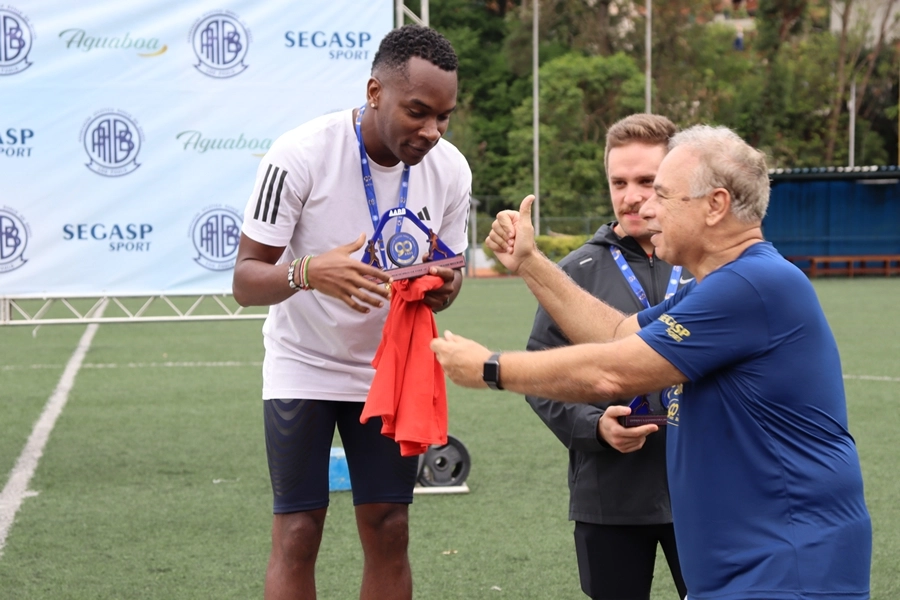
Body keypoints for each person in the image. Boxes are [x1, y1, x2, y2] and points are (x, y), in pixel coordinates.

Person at [432, 125, 872, 599]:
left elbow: (612, 370)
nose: (644, 207)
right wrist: (530, 263)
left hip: (787, 568)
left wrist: (490, 369)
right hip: (752, 564)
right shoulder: (722, 285)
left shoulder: (751, 285)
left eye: (661, 193)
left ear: (716, 205)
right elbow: (620, 334)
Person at [233, 24, 471, 600]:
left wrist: (443, 286)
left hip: (389, 372)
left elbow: (454, 269)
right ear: (373, 92)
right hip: (303, 364)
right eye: (418, 112)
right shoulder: (299, 154)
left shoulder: (451, 169)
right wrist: (309, 272)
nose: (432, 131)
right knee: (298, 530)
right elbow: (245, 279)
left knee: (390, 527)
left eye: (444, 117)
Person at [525, 114, 687, 600]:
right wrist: (593, 426)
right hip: (609, 495)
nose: (631, 195)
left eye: (646, 181)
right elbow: (541, 373)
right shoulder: (575, 270)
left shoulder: (710, 263)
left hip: (706, 490)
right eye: (619, 182)